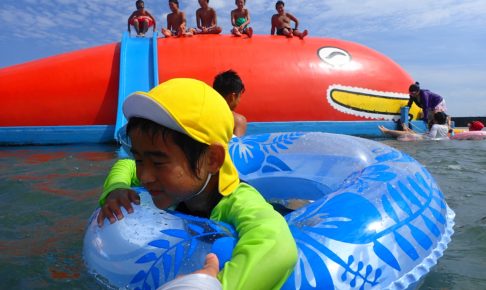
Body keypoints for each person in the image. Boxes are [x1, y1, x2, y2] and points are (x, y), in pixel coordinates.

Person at [97, 78, 297, 289]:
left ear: (211, 159)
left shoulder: (238, 200)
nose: (145, 175)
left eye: (157, 161)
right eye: (140, 159)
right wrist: (116, 188)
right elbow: (126, 166)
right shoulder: (164, 177)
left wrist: (214, 284)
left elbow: (278, 247)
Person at [213, 70, 247, 137]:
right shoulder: (238, 121)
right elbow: (237, 146)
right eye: (239, 97)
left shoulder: (202, 113)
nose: (239, 100)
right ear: (232, 97)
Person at [379, 111, 450, 140]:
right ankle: (406, 129)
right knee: (409, 132)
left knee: (406, 133)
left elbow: (430, 138)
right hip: (425, 138)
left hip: (424, 140)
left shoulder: (436, 126)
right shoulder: (446, 127)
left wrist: (413, 134)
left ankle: (387, 131)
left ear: (436, 120)